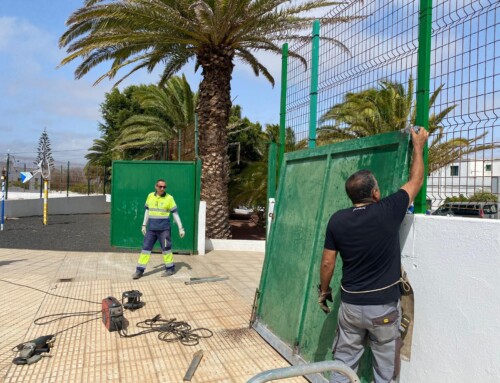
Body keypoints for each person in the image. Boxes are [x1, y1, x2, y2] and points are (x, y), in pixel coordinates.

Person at [318, 127, 429, 383]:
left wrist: (324, 292)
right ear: (375, 193)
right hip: (384, 310)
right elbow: (416, 182)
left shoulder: (337, 220)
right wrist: (419, 146)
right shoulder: (388, 210)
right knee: (385, 372)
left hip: (350, 308)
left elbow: (327, 262)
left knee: (343, 367)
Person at [132, 179, 185, 279]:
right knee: (145, 249)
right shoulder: (150, 196)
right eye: (160, 186)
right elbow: (147, 212)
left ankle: (170, 269)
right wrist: (144, 225)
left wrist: (180, 228)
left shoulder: (169, 198)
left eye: (164, 187)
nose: (162, 189)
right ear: (156, 186)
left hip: (164, 230)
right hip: (151, 230)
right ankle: (139, 271)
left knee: (166, 250)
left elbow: (175, 214)